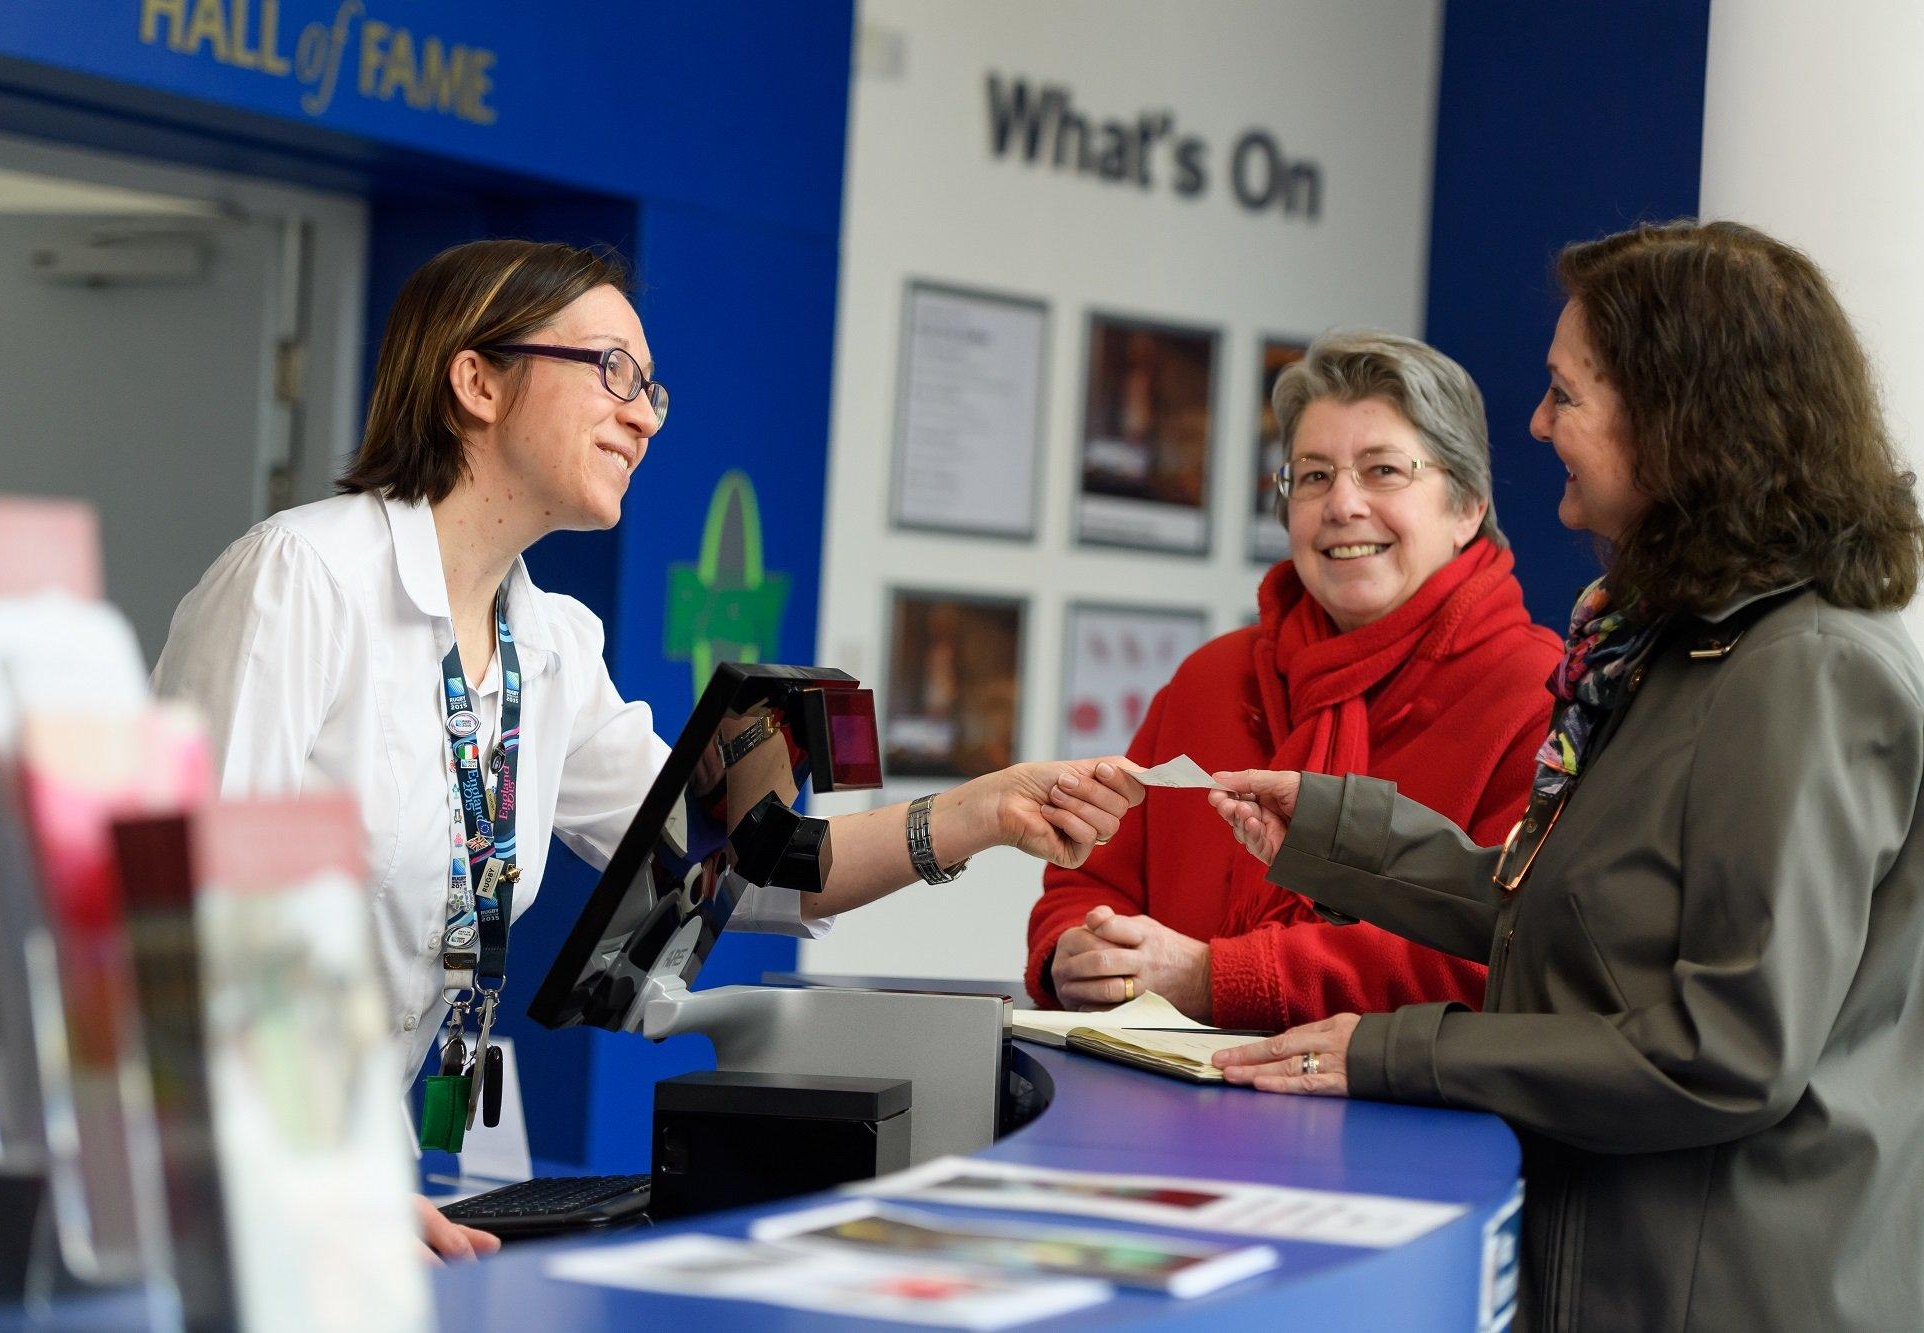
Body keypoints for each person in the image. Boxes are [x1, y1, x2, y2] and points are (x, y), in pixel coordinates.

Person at [154, 239, 1146, 1261]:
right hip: (201, 1183)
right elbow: (172, 930)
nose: (641, 414)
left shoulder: (546, 646)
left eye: (650, 390)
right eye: (611, 371)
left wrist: (986, 811)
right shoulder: (300, 580)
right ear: (476, 380)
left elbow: (745, 867)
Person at [1210, 221, 1924, 1329]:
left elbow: (1723, 1051)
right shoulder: (1669, 648)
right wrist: (1335, 834)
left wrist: (1397, 1049)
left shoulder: (1807, 670)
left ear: (1677, 416)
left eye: (1564, 394)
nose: (1537, 424)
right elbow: (1566, 912)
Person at [1028, 332, 1560, 1029]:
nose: (1342, 504)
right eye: (1312, 475)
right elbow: (1090, 877)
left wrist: (1218, 978)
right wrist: (1077, 950)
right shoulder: (1212, 676)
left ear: (1467, 507)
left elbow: (1501, 956)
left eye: (1383, 471)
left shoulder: (1537, 692)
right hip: (1163, 1106)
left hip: (1401, 1123)